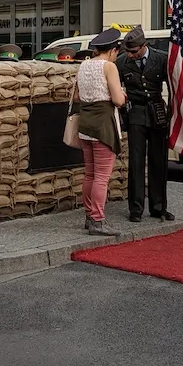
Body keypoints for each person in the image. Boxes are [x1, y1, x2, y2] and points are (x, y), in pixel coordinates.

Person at [116, 26, 174, 223]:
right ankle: (136, 208)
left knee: (159, 160)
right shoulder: (122, 62)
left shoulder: (161, 58)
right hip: (136, 113)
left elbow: (174, 86)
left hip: (156, 111)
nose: (130, 55)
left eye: (133, 51)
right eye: (128, 51)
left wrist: (171, 113)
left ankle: (158, 207)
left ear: (143, 46)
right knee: (136, 162)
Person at [74, 27, 127, 236]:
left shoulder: (84, 65)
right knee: (102, 177)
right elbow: (117, 100)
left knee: (90, 174)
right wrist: (123, 95)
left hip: (86, 124)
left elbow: (78, 96)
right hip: (104, 124)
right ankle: (97, 220)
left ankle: (89, 216)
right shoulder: (109, 67)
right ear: (113, 50)